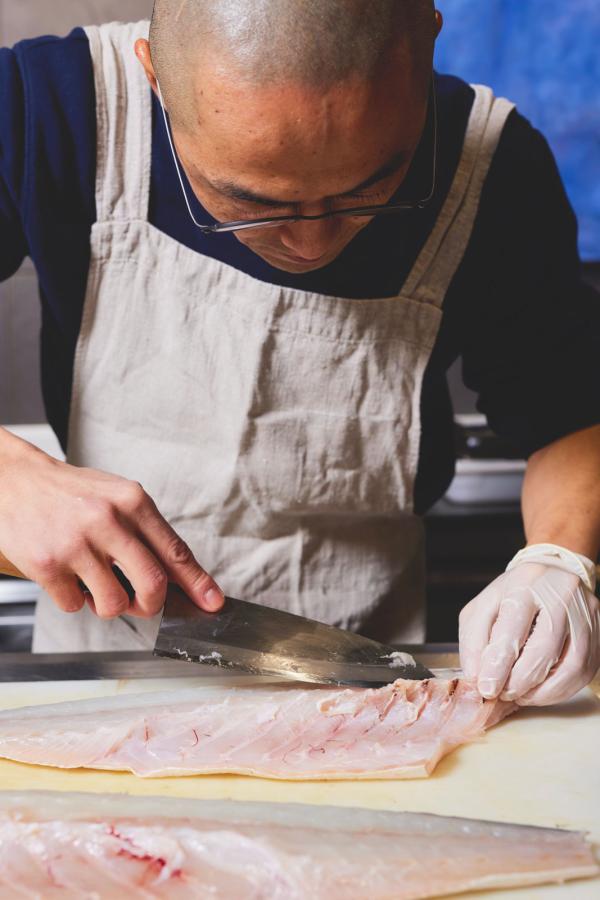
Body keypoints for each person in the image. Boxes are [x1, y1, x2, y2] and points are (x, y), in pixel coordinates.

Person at [0, 0, 598, 705]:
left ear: (428, 44)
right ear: (155, 77)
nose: (311, 245)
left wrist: (560, 559)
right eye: (250, 202)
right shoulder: (43, 108)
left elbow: (567, 415)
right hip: (96, 666)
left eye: (372, 187)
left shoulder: (497, 166)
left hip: (363, 675)